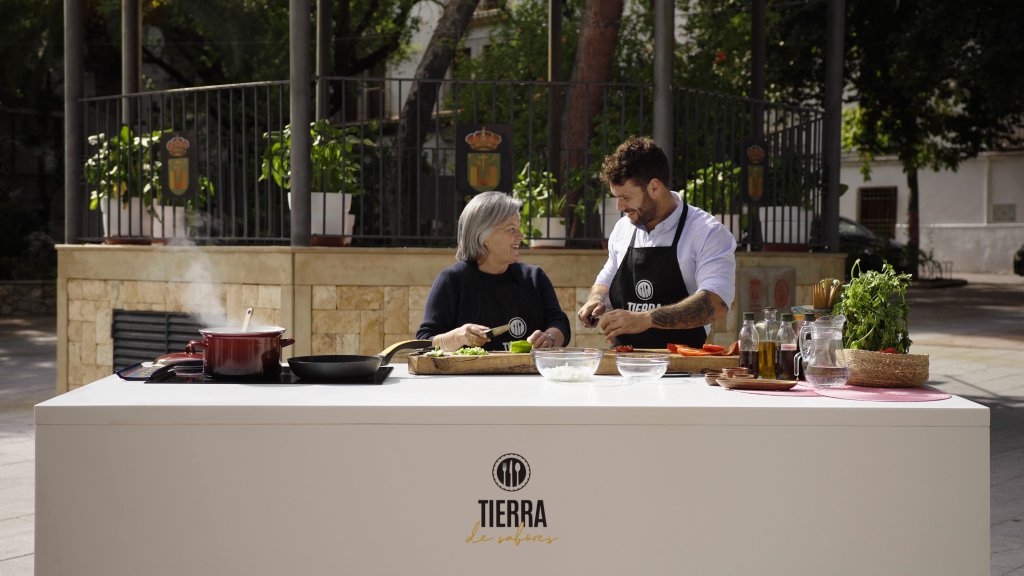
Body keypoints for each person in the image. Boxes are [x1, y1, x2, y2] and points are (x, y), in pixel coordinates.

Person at [577, 137, 737, 349]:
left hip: (681, 364)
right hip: (624, 361)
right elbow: (607, 279)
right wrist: (596, 300)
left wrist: (645, 319)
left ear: (654, 187)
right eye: (616, 197)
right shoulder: (623, 229)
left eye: (626, 197)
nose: (619, 207)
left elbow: (716, 303)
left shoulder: (708, 232)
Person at [417, 191, 571, 352]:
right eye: (511, 229)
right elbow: (424, 342)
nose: (521, 236)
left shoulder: (534, 277)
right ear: (484, 235)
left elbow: (559, 322)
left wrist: (549, 338)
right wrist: (458, 336)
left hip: (529, 369)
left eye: (518, 228)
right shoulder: (452, 280)